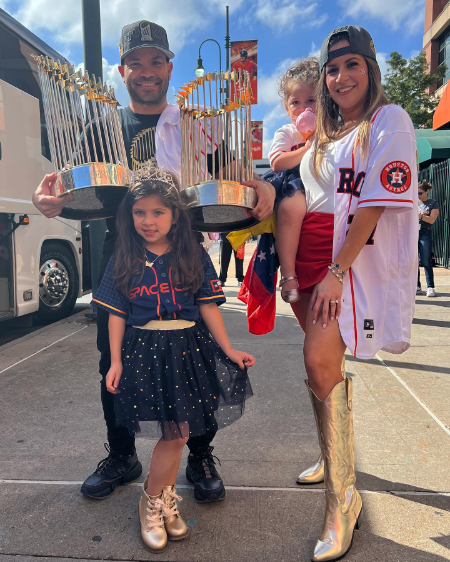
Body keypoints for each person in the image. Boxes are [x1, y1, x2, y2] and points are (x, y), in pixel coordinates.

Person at [32, 20, 275, 504]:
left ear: (169, 66)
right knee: (113, 361)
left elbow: (234, 176)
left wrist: (263, 186)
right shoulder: (102, 126)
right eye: (136, 63)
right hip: (121, 259)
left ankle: (200, 453)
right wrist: (49, 198)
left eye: (156, 61)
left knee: (197, 360)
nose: (147, 71)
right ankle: (122, 454)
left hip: (185, 260)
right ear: (122, 71)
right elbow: (70, 184)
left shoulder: (196, 126)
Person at [290, 26, 417, 561]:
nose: (341, 77)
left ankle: (342, 499)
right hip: (308, 264)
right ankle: (334, 453)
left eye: (352, 65)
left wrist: (337, 270)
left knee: (318, 360)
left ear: (371, 69)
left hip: (344, 265)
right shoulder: (324, 135)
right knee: (327, 370)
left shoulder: (390, 121)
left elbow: (374, 202)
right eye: (333, 68)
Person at [92, 167, 254, 552]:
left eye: (158, 212)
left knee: (179, 434)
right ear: (128, 216)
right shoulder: (125, 254)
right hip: (146, 352)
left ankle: (159, 501)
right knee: (174, 434)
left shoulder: (192, 252)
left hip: (187, 349)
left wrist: (228, 349)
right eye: (139, 212)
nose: (148, 221)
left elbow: (208, 305)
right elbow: (116, 312)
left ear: (176, 214)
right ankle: (152, 503)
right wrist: (114, 361)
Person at [265, 58, 319, 303]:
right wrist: (307, 148)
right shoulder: (287, 132)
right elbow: (277, 162)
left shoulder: (334, 129)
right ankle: (288, 274)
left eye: (311, 100)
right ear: (287, 109)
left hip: (326, 184)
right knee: (290, 207)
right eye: (295, 102)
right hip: (296, 184)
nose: (303, 107)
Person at [417, 180, 439, 297]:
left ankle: (430, 286)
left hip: (425, 231)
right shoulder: (414, 202)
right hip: (413, 231)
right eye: (416, 193)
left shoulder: (433, 203)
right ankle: (417, 285)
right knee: (414, 260)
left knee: (426, 260)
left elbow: (431, 220)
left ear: (427, 191)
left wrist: (420, 216)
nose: (418, 196)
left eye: (420, 193)